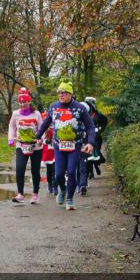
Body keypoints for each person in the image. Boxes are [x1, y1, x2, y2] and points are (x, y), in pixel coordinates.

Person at [36, 82, 95, 211]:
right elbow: (46, 124)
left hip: (75, 145)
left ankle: (69, 199)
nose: (61, 95)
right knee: (58, 174)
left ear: (70, 94)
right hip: (58, 145)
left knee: (72, 171)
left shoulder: (80, 108)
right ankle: (62, 190)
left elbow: (90, 126)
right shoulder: (53, 107)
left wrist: (90, 142)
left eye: (64, 93)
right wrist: (38, 137)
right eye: (59, 93)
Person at [7, 88, 43, 205]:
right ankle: (20, 194)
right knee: (20, 168)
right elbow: (12, 127)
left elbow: (42, 128)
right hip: (21, 145)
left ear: (29, 102)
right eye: (21, 102)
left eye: (25, 102)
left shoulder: (36, 114)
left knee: (35, 170)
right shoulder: (16, 114)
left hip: (35, 146)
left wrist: (40, 140)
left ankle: (35, 194)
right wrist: (11, 139)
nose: (23, 104)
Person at [85, 96, 109, 178]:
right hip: (87, 139)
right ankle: (91, 172)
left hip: (97, 138)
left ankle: (96, 165)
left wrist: (100, 129)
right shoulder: (84, 115)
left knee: (96, 153)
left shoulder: (99, 115)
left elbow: (105, 121)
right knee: (89, 155)